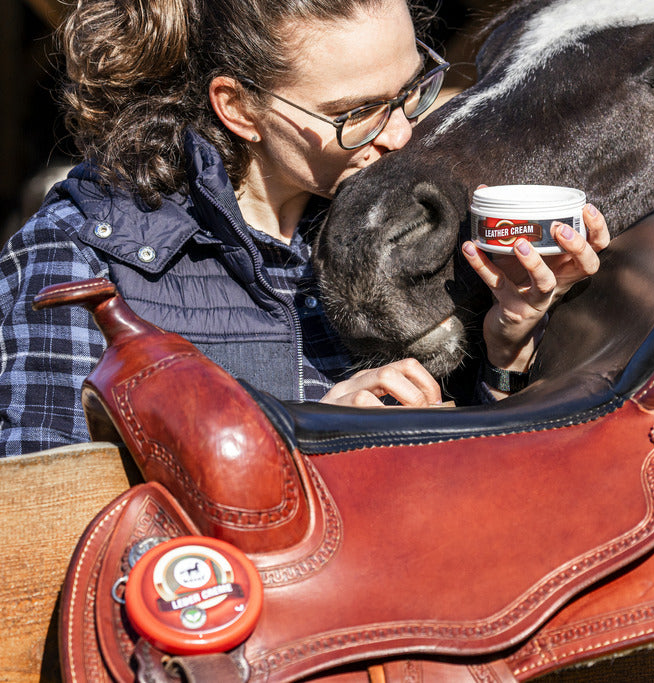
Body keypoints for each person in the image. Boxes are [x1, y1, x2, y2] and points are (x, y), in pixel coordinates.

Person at [0, 0, 608, 458]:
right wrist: (299, 427)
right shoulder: (80, 258)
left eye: (411, 90)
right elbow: (55, 523)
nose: (398, 135)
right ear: (237, 107)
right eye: (356, 113)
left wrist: (509, 347)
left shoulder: (400, 223)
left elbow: (484, 482)